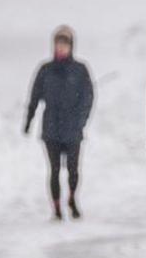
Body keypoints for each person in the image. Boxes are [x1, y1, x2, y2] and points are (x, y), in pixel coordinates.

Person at [23, 25, 94, 219]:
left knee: (73, 169)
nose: (61, 48)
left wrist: (82, 119)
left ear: (71, 46)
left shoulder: (80, 70)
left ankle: (72, 198)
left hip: (73, 127)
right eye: (58, 44)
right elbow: (34, 96)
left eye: (65, 44)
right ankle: (56, 208)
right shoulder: (46, 70)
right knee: (54, 170)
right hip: (51, 127)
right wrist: (28, 120)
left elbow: (88, 97)